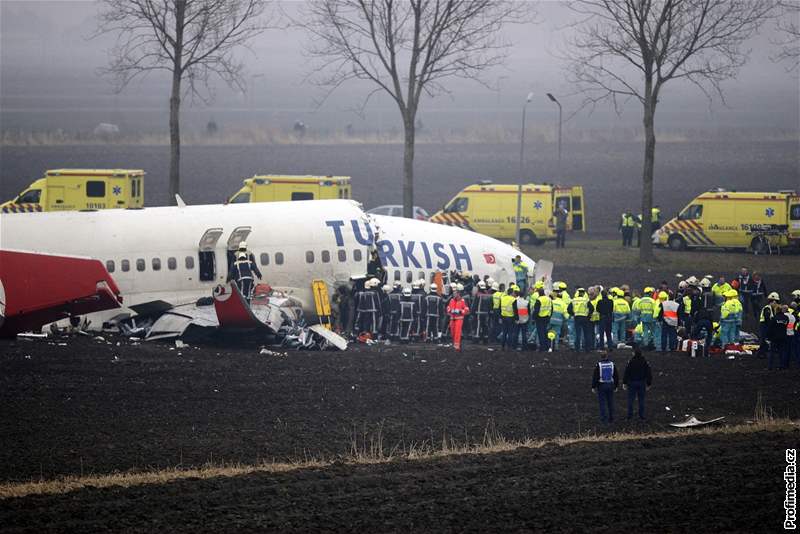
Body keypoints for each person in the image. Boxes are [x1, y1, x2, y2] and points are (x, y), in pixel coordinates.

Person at [622, 349, 652, 420]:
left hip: (632, 383)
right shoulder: (644, 361)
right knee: (641, 400)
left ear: (634, 353)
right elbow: (648, 373)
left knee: (630, 400)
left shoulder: (631, 362)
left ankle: (630, 415)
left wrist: (624, 382)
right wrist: (649, 383)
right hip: (641, 383)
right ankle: (641, 415)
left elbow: (627, 372)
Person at [591, 351, 618, 424]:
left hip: (602, 385)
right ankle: (611, 418)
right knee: (610, 402)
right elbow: (616, 375)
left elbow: (595, 376)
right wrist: (616, 386)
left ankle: (604, 419)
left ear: (601, 357)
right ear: (607, 356)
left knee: (602, 403)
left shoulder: (599, 365)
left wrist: (593, 386)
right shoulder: (612, 364)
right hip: (610, 384)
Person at [568, 287, 593, 352]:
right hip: (585, 318)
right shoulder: (586, 300)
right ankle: (587, 349)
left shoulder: (574, 300)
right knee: (586, 334)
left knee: (578, 334)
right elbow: (592, 308)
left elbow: (569, 309)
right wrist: (588, 315)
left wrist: (573, 314)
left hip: (577, 318)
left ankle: (577, 349)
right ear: (584, 293)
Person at [758, 292, 781, 356]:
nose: (776, 304)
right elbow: (767, 319)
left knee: (765, 339)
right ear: (773, 301)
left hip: (766, 325)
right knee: (764, 339)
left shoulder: (771, 309)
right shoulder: (767, 308)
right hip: (764, 325)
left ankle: (763, 352)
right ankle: (761, 353)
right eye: (776, 302)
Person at [767, 305, 789, 370]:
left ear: (776, 310)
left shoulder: (774, 318)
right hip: (783, 337)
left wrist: (768, 337)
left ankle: (770, 366)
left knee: (772, 353)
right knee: (782, 352)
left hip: (774, 338)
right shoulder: (786, 318)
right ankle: (781, 366)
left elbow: (770, 328)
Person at [532, 287, 552, 351]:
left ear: (539, 293)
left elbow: (536, 310)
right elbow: (551, 308)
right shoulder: (549, 299)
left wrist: (533, 318)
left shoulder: (539, 300)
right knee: (546, 332)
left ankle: (542, 347)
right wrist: (549, 316)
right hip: (547, 318)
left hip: (539, 318)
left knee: (541, 333)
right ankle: (547, 346)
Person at [500, 286, 517, 350]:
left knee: (504, 332)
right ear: (512, 293)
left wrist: (500, 317)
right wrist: (516, 318)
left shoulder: (503, 298)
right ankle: (509, 346)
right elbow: (515, 310)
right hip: (511, 317)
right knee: (510, 333)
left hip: (504, 317)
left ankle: (502, 346)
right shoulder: (513, 299)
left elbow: (500, 308)